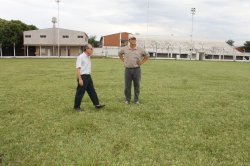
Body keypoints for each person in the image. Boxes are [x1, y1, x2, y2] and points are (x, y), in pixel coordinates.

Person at [118, 34, 149, 104]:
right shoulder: (125, 48)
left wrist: (141, 62)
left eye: (134, 39)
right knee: (127, 86)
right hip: (127, 70)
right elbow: (119, 54)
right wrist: (123, 60)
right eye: (132, 39)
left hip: (136, 70)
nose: (134, 40)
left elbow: (147, 56)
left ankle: (136, 100)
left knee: (137, 85)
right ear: (129, 40)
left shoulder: (140, 49)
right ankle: (127, 100)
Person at [74, 44, 105, 111]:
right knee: (80, 93)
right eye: (91, 49)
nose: (92, 50)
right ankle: (76, 107)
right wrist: (80, 79)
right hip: (83, 77)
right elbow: (78, 69)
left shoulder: (88, 57)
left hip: (88, 76)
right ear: (86, 49)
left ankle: (97, 104)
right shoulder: (81, 57)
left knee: (92, 91)